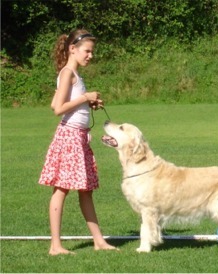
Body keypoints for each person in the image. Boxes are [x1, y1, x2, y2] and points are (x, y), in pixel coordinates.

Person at [39, 29, 117, 255]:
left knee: (86, 191)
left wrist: (86, 105)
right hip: (69, 137)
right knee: (61, 189)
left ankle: (99, 241)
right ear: (72, 49)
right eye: (87, 51)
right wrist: (85, 98)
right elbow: (57, 109)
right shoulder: (67, 73)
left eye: (92, 51)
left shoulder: (73, 73)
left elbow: (60, 101)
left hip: (79, 137)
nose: (90, 55)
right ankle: (55, 246)